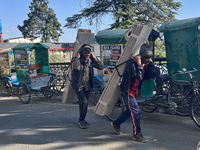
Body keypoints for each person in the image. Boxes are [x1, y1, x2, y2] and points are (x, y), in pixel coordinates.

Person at [111, 43, 157, 143]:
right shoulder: (132, 64)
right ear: (142, 57)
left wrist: (151, 63)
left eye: (150, 58)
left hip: (134, 91)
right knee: (136, 112)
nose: (149, 60)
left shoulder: (145, 64)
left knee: (129, 112)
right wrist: (139, 64)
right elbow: (139, 77)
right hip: (127, 91)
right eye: (148, 58)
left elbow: (151, 74)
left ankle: (116, 123)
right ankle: (137, 134)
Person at [72, 44, 104, 129]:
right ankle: (81, 120)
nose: (87, 54)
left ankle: (82, 119)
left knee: (84, 103)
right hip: (79, 85)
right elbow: (77, 68)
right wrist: (78, 58)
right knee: (84, 101)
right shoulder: (77, 60)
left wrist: (95, 58)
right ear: (82, 53)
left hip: (87, 85)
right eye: (85, 53)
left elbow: (101, 67)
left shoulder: (90, 61)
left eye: (89, 53)